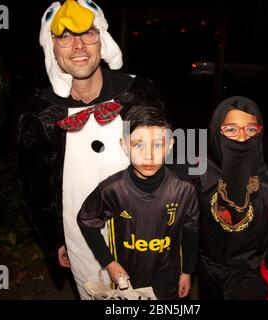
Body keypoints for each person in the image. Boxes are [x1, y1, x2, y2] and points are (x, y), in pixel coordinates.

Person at [18, 0, 163, 299]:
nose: (79, 46)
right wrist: (54, 239)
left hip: (142, 235)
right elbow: (35, 189)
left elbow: (168, 165)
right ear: (53, 50)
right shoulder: (40, 113)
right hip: (79, 241)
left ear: (103, 40)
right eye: (65, 37)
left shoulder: (138, 93)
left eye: (87, 33)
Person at [77, 104, 200, 299]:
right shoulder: (111, 190)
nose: (149, 155)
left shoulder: (184, 190)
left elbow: (191, 234)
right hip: (127, 280)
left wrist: (187, 272)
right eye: (139, 145)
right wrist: (108, 262)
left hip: (167, 280)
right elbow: (86, 221)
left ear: (170, 146)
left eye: (158, 145)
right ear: (125, 145)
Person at [198, 96, 268, 300]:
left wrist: (266, 277)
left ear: (259, 133)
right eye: (232, 129)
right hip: (207, 272)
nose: (242, 138)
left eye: (250, 129)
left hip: (249, 275)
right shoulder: (200, 174)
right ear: (218, 131)